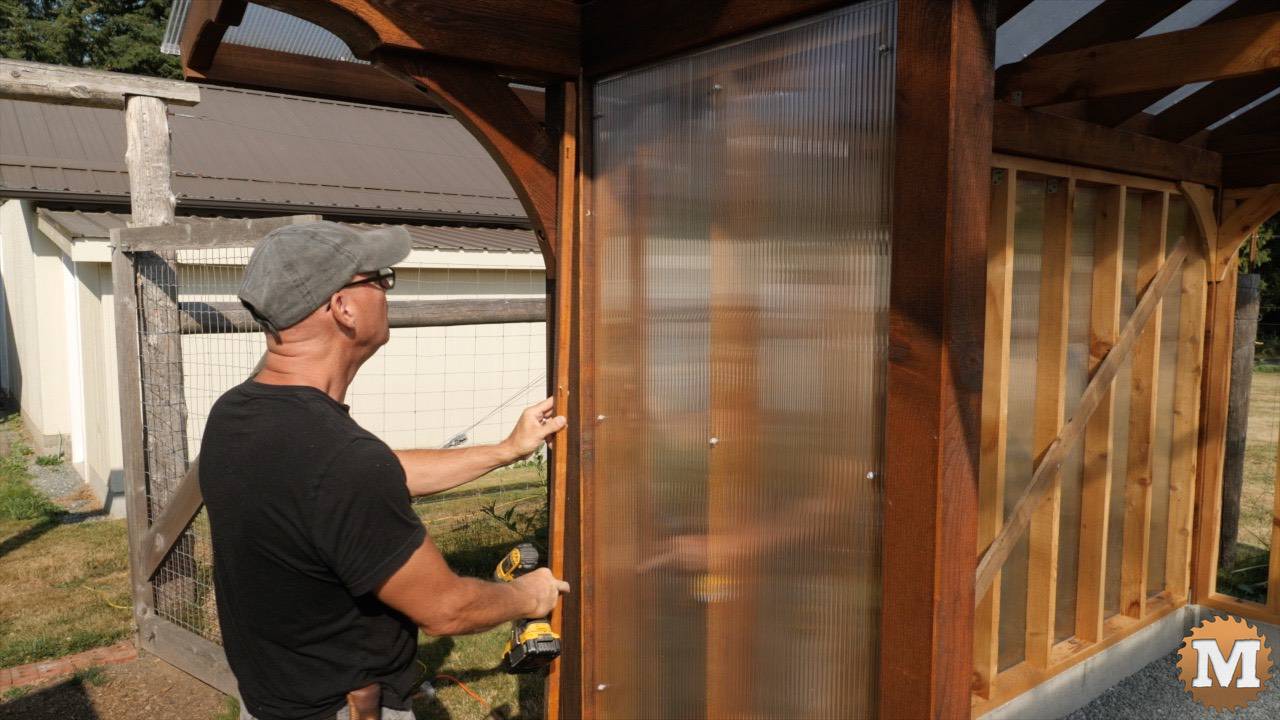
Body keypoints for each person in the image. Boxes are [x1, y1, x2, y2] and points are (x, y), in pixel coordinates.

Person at [198, 222, 569, 720]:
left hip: (269, 700)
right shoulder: (340, 460)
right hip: (346, 709)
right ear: (343, 308)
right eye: (379, 279)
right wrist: (528, 595)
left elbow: (365, 478)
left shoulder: (237, 414)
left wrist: (505, 450)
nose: (386, 292)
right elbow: (447, 608)